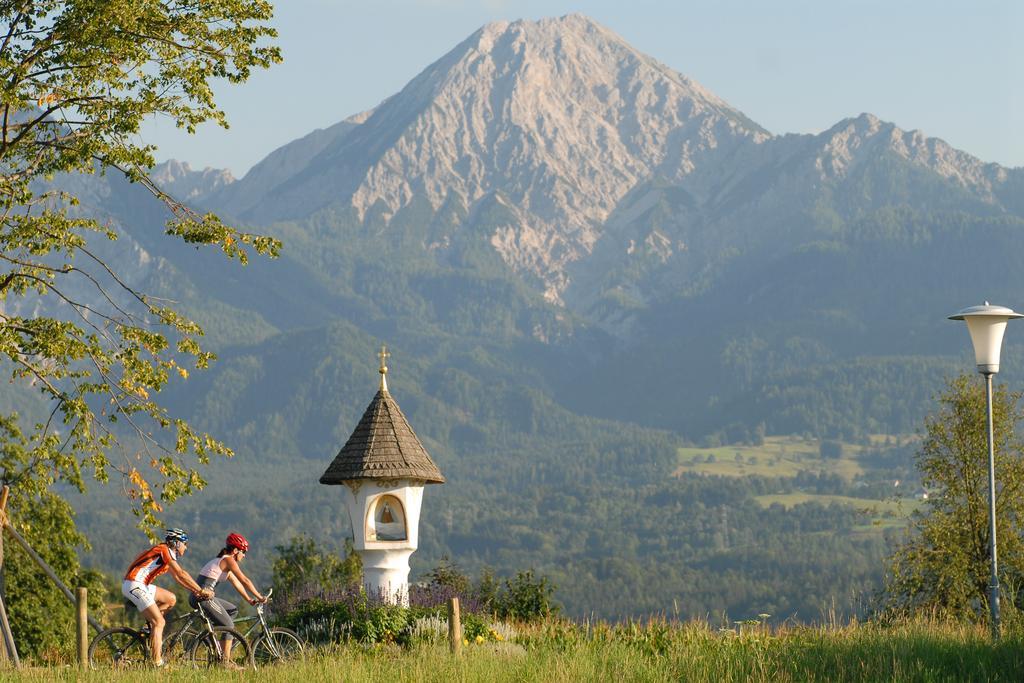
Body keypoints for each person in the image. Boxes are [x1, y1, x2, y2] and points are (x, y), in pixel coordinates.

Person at [122, 528, 212, 668]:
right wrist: (200, 590)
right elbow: (181, 573)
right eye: (185, 543)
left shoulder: (166, 554)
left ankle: (149, 627)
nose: (186, 547)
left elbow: (177, 578)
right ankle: (157, 663)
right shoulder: (164, 550)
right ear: (176, 543)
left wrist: (195, 591)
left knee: (170, 599)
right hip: (134, 584)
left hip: (140, 585)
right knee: (160, 623)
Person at [188, 532, 267, 668]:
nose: (244, 555)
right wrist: (260, 597)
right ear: (235, 551)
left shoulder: (224, 563)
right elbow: (245, 580)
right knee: (229, 626)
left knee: (232, 610)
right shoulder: (228, 560)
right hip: (203, 598)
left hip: (203, 597)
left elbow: (237, 584)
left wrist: (249, 599)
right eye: (243, 551)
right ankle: (224, 662)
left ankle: (217, 644)